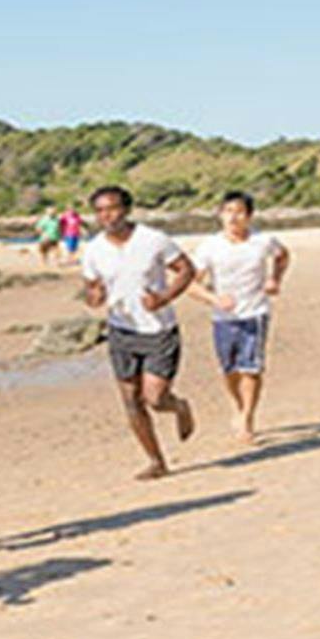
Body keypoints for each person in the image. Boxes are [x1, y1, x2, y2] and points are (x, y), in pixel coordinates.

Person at [81, 185, 223, 480]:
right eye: (100, 210)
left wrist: (164, 298)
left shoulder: (153, 239)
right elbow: (91, 288)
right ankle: (156, 461)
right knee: (131, 400)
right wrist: (93, 297)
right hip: (121, 330)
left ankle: (180, 407)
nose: (107, 215)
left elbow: (185, 269)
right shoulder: (94, 249)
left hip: (159, 330)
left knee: (156, 398)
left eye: (113, 208)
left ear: (127, 209)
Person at [191, 191, 291, 444]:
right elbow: (190, 284)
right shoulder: (209, 247)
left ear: (249, 216)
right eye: (228, 212)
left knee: (251, 368)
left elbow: (283, 256)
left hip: (255, 312)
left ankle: (247, 418)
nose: (233, 217)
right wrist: (215, 299)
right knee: (230, 370)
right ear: (219, 215)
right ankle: (238, 405)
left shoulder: (263, 240)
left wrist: (274, 279)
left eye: (239, 212)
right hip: (223, 317)